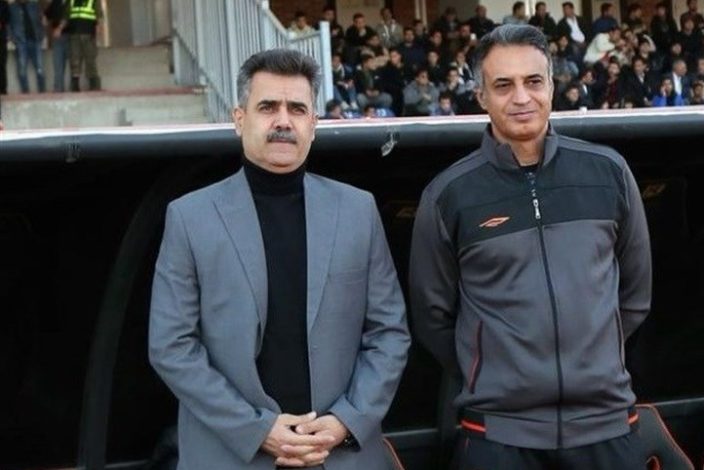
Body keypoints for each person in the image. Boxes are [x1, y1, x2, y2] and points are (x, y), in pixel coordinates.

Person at [148, 48, 410, 469]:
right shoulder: (189, 217)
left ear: (313, 124)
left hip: (339, 454)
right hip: (230, 455)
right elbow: (171, 347)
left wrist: (347, 421)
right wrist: (256, 430)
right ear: (239, 119)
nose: (283, 121)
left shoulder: (358, 210)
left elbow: (389, 333)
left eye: (297, 109)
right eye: (268, 107)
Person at [409, 24, 651, 470]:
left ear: (552, 87)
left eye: (533, 81)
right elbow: (432, 316)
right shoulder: (449, 194)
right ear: (481, 96)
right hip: (498, 435)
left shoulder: (609, 173)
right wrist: (495, 371)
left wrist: (592, 357)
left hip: (606, 427)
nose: (522, 97)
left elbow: (634, 298)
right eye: (504, 85)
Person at [54, 0, 104, 91]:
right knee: (75, 59)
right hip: (74, 35)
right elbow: (66, 17)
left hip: (88, 34)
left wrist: (99, 30)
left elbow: (99, 16)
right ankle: (75, 85)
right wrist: (59, 28)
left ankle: (94, 84)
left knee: (90, 59)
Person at [8, 0, 46, 93]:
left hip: (35, 41)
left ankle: (42, 92)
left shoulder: (34, 5)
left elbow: (41, 20)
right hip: (21, 42)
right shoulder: (12, 8)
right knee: (22, 70)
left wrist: (41, 35)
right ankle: (25, 92)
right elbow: (8, 25)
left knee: (40, 69)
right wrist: (13, 38)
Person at [44, 0, 68, 92]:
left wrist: (59, 28)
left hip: (71, 36)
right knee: (58, 65)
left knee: (74, 66)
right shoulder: (56, 2)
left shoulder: (72, 2)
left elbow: (69, 18)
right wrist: (44, 19)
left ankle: (73, 90)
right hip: (57, 38)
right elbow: (46, 15)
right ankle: (58, 89)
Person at [0, 0, 9, 95]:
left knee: (2, 64)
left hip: (1, 39)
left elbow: (7, 18)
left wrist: (1, 22)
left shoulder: (3, 3)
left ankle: (3, 89)